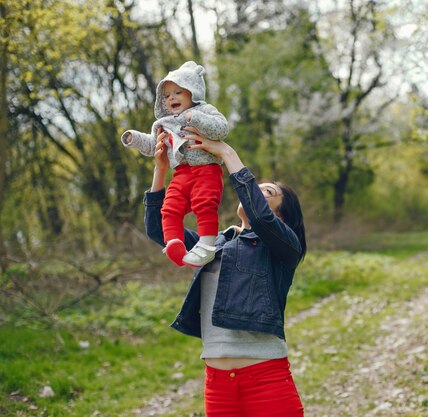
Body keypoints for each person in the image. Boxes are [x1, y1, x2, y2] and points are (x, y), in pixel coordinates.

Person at [143, 127, 307, 417]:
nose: (254, 192)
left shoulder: (284, 248)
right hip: (217, 384)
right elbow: (160, 229)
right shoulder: (214, 244)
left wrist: (226, 152)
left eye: (266, 192)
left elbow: (261, 217)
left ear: (281, 217)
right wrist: (161, 169)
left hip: (266, 378)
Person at [122, 61, 229, 268]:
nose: (171, 97)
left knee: (204, 204)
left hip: (206, 170)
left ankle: (206, 244)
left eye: (178, 92)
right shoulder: (163, 123)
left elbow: (221, 129)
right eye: (167, 95)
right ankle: (174, 242)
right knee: (169, 208)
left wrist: (196, 118)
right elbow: (153, 145)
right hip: (180, 174)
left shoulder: (204, 110)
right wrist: (133, 138)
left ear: (193, 92)